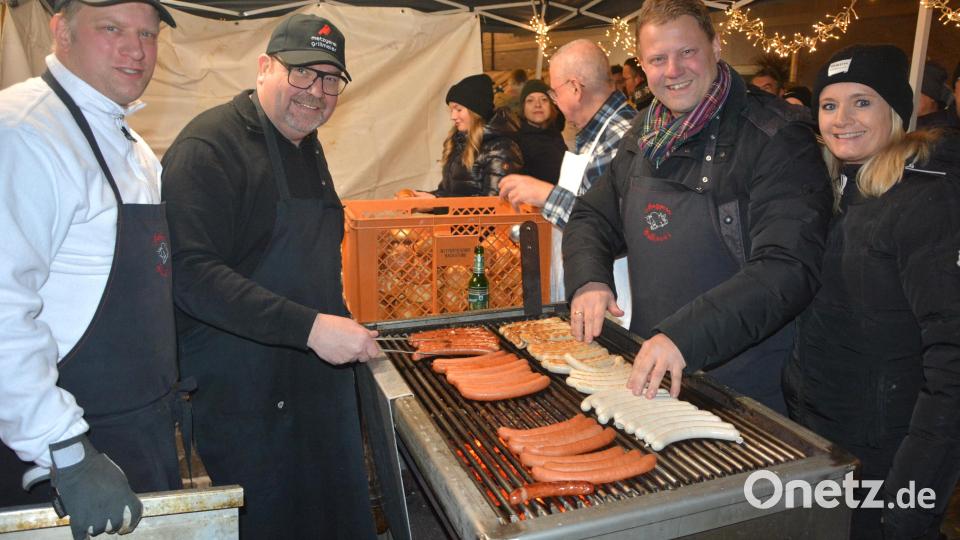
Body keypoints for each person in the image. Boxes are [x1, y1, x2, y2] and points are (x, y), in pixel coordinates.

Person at [160, 14, 380, 538]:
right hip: (247, 394)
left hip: (314, 380)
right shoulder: (208, 148)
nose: (316, 91)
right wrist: (310, 328)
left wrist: (337, 323)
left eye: (331, 79)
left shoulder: (306, 142)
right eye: (302, 73)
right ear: (265, 68)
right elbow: (191, 275)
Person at [562, 0, 831, 413]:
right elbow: (591, 215)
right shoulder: (644, 131)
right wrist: (590, 279)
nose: (673, 70)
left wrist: (684, 337)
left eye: (687, 52)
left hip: (746, 389)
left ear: (716, 47)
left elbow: (787, 267)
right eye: (658, 58)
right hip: (652, 371)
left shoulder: (775, 136)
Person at [0, 0, 181, 538]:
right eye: (112, 29)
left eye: (147, 34)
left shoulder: (132, 146)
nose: (135, 50)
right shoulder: (25, 133)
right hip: (71, 444)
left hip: (137, 426)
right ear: (61, 31)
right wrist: (63, 449)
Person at [784, 44, 960, 540]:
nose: (843, 118)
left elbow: (952, 360)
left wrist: (913, 492)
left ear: (897, 112)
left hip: (889, 453)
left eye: (862, 102)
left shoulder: (928, 200)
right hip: (831, 438)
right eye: (830, 104)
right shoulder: (842, 189)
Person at [499, 39, 636, 326]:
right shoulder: (590, 134)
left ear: (575, 88)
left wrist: (547, 195)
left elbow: (613, 225)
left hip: (614, 299)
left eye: (554, 91)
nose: (554, 100)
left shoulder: (621, 137)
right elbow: (583, 204)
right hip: (586, 291)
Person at [417, 74, 522, 197]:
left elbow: (494, 205)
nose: (453, 116)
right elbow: (448, 193)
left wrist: (436, 204)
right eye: (451, 110)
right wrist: (425, 198)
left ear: (476, 111)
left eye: (459, 109)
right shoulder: (457, 143)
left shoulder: (501, 149)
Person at [516, 79, 566, 185]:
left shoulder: (554, 133)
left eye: (544, 100)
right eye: (530, 100)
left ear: (551, 106)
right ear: (523, 107)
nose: (538, 105)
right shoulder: (517, 141)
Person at [916, 61, 959, 130]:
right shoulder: (904, 122)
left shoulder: (946, 128)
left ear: (932, 97)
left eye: (916, 93)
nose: (909, 99)